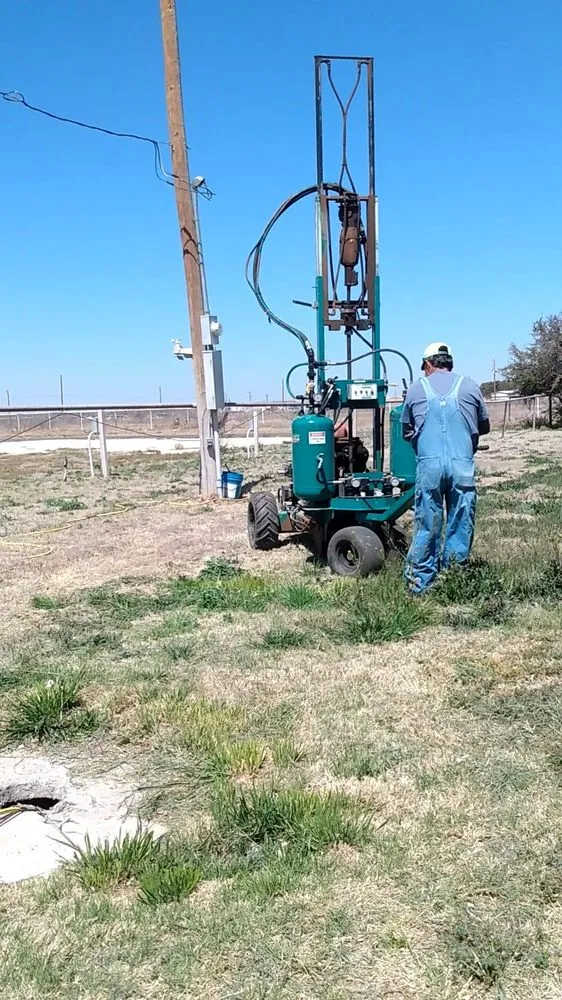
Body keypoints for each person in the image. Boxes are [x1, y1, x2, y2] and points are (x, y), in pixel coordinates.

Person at [401, 342, 490, 594]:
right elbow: (483, 426)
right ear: (449, 363)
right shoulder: (470, 386)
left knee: (427, 522)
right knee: (461, 520)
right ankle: (454, 577)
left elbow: (406, 430)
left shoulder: (416, 389)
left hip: (429, 467)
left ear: (428, 364)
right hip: (462, 466)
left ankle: (420, 583)